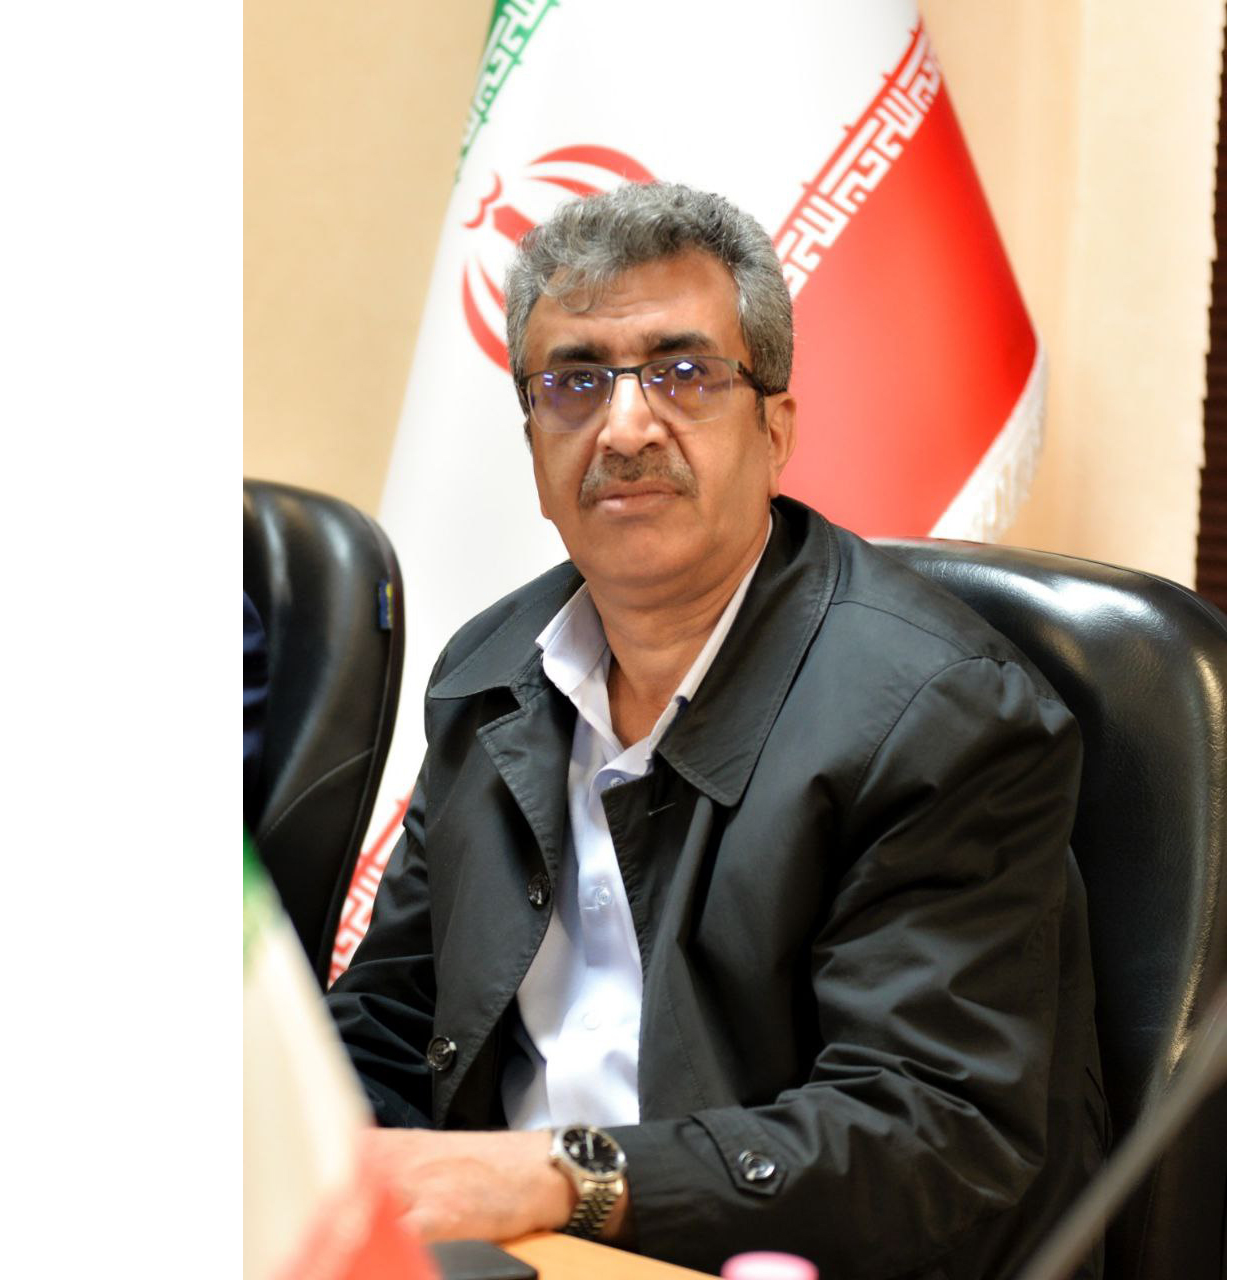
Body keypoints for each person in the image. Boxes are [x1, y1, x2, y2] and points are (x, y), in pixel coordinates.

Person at [326, 182, 1106, 1280]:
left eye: (684, 373)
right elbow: (388, 1020)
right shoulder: (490, 673)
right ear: (534, 440)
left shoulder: (941, 716)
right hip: (510, 1252)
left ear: (775, 429)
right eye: (575, 381)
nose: (625, 425)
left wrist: (563, 1176)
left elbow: (926, 1133)